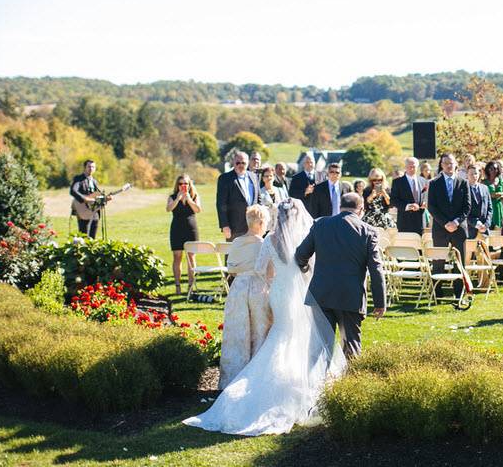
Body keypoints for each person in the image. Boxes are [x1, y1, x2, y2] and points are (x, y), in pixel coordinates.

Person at [183, 199, 346, 436]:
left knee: (280, 336)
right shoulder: (306, 237)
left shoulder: (270, 239)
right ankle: (296, 386)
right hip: (299, 293)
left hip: (278, 293)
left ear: (277, 217)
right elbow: (311, 267)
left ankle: (273, 382)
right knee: (299, 338)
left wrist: (273, 279)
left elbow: (261, 269)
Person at [295, 193, 386, 359]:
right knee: (350, 347)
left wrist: (304, 267)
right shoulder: (368, 231)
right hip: (350, 295)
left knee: (320, 347)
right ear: (361, 210)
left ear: (339, 207)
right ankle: (350, 384)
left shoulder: (321, 224)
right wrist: (380, 302)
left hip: (321, 293)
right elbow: (376, 269)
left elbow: (301, 254)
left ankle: (315, 383)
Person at [217, 205, 270, 389]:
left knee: (237, 332)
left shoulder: (237, 241)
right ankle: (256, 379)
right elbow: (269, 271)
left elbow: (231, 268)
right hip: (257, 288)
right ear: (261, 223)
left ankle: (232, 377)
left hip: (238, 287)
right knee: (259, 332)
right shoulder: (264, 244)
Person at [427, 153, 471, 255]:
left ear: (455, 164)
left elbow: (467, 207)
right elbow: (432, 207)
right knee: (438, 263)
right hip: (440, 229)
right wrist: (445, 223)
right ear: (441, 165)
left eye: (451, 163)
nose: (449, 165)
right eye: (446, 163)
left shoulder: (463, 183)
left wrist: (456, 222)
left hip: (459, 228)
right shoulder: (434, 183)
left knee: (459, 265)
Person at [167, 174, 202, 294]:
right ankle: (178, 286)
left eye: (185, 183)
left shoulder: (194, 196)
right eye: (181, 183)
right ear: (177, 185)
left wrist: (189, 199)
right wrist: (178, 199)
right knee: (177, 257)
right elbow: (168, 208)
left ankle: (191, 286)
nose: (183, 186)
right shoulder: (172, 196)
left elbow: (198, 210)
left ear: (189, 184)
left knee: (191, 257)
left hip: (191, 228)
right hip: (177, 228)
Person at [216, 151, 260, 241]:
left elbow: (258, 200)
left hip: (253, 226)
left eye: (243, 163)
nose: (241, 165)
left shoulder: (254, 177)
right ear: (233, 163)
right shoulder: (225, 178)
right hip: (234, 228)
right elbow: (221, 204)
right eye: (238, 163)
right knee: (232, 254)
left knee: (251, 254)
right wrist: (224, 225)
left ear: (248, 163)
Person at [70, 159, 109, 238]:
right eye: (89, 166)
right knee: (83, 234)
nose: (91, 168)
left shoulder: (94, 181)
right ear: (85, 167)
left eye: (93, 167)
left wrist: (105, 199)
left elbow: (95, 197)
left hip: (94, 211)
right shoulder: (79, 178)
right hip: (83, 210)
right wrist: (85, 198)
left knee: (93, 235)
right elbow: (73, 191)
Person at [390, 157, 427, 234]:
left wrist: (425, 202)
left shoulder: (423, 181)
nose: (412, 169)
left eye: (414, 167)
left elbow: (426, 197)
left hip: (420, 221)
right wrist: (408, 206)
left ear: (417, 167)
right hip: (405, 222)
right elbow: (393, 200)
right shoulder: (397, 182)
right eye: (409, 166)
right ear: (405, 167)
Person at [465, 165, 492, 239]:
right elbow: (462, 211)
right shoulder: (463, 189)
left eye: (476, 173)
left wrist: (486, 224)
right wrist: (476, 223)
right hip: (470, 229)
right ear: (467, 175)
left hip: (484, 229)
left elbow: (489, 208)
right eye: (471, 174)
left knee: (485, 250)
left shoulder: (485, 188)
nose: (474, 176)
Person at [484, 162, 503, 230]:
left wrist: (502, 195)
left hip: (499, 206)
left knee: (500, 229)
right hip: (489, 207)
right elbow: (487, 195)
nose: (493, 170)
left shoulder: (501, 181)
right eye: (491, 169)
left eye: (495, 168)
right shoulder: (484, 182)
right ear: (487, 170)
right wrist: (496, 194)